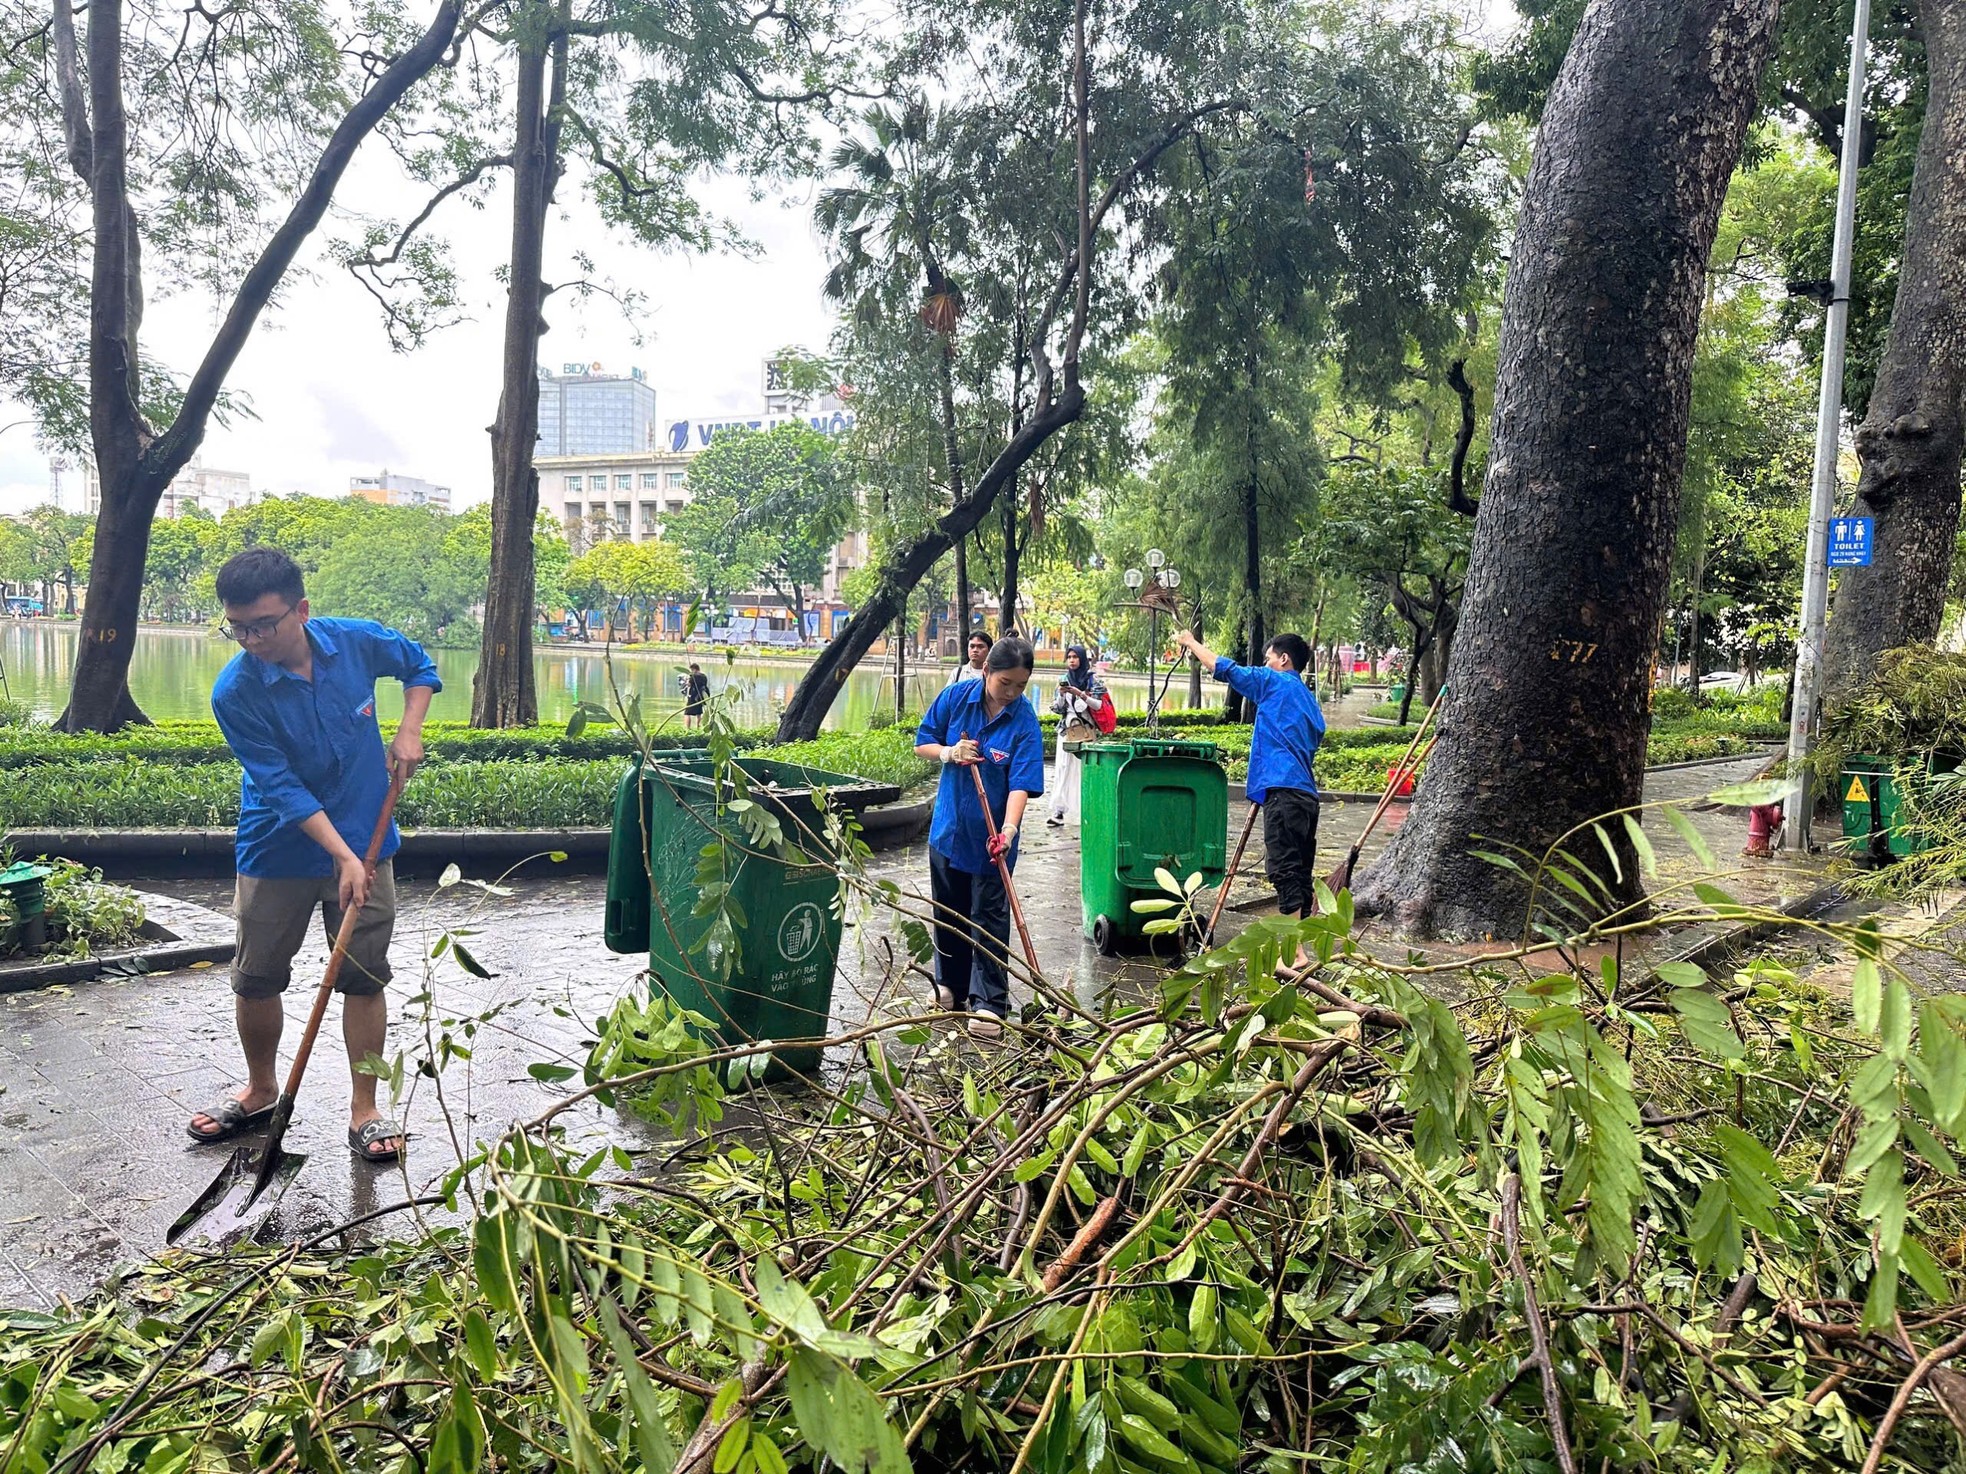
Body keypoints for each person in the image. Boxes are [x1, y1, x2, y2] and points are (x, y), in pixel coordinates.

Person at [187, 546, 439, 1165]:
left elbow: (419, 665)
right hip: (276, 848)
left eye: (263, 625)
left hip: (368, 838)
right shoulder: (236, 691)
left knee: (363, 973)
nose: (250, 639)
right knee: (257, 975)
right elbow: (280, 787)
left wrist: (410, 727)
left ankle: (364, 1108)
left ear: (301, 611)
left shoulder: (353, 643)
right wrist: (340, 856)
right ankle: (261, 1090)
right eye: (237, 626)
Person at [914, 636, 1045, 1041]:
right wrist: (950, 753)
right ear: (986, 671)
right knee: (949, 914)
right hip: (950, 830)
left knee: (988, 919)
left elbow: (1021, 784)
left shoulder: (1023, 721)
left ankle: (989, 1003)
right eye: (1005, 683)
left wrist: (1008, 830)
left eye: (1020, 686)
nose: (1012, 693)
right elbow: (923, 743)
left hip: (993, 841)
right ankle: (949, 986)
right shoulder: (955, 698)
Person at [1173, 628, 1324, 964]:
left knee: (1283, 869)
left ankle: (1294, 954)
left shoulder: (1275, 682)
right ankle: (1298, 947)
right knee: (1299, 871)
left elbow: (1225, 668)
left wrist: (1191, 642)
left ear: (1284, 659)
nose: (1265, 663)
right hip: (1305, 797)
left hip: (1283, 792)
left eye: (1268, 657)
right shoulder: (1309, 701)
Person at [1047, 644, 1108, 827]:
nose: (1072, 660)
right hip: (1067, 730)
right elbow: (1057, 708)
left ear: (1082, 659)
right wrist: (1060, 694)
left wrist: (1079, 694)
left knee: (1085, 770)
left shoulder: (1093, 680)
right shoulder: (1063, 679)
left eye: (1075, 657)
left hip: (1086, 730)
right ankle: (1058, 811)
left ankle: (1088, 810)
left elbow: (1099, 705)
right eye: (1069, 657)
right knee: (1063, 769)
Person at [683, 663, 710, 728]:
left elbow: (689, 684)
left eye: (691, 670)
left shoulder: (693, 676)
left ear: (694, 669)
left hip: (693, 696)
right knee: (699, 713)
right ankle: (698, 728)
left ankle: (687, 728)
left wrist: (688, 679)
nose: (691, 671)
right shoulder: (704, 676)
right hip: (701, 697)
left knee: (687, 713)